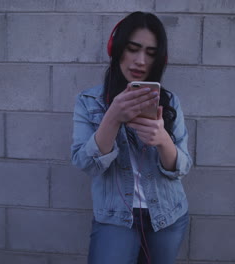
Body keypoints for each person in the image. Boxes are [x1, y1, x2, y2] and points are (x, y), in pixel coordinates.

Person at [71, 11, 192, 264]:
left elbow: (182, 167)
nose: (140, 60)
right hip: (115, 218)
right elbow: (85, 163)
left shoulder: (170, 102)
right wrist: (112, 117)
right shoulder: (89, 101)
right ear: (116, 49)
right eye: (133, 48)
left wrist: (163, 140)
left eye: (150, 53)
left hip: (167, 216)